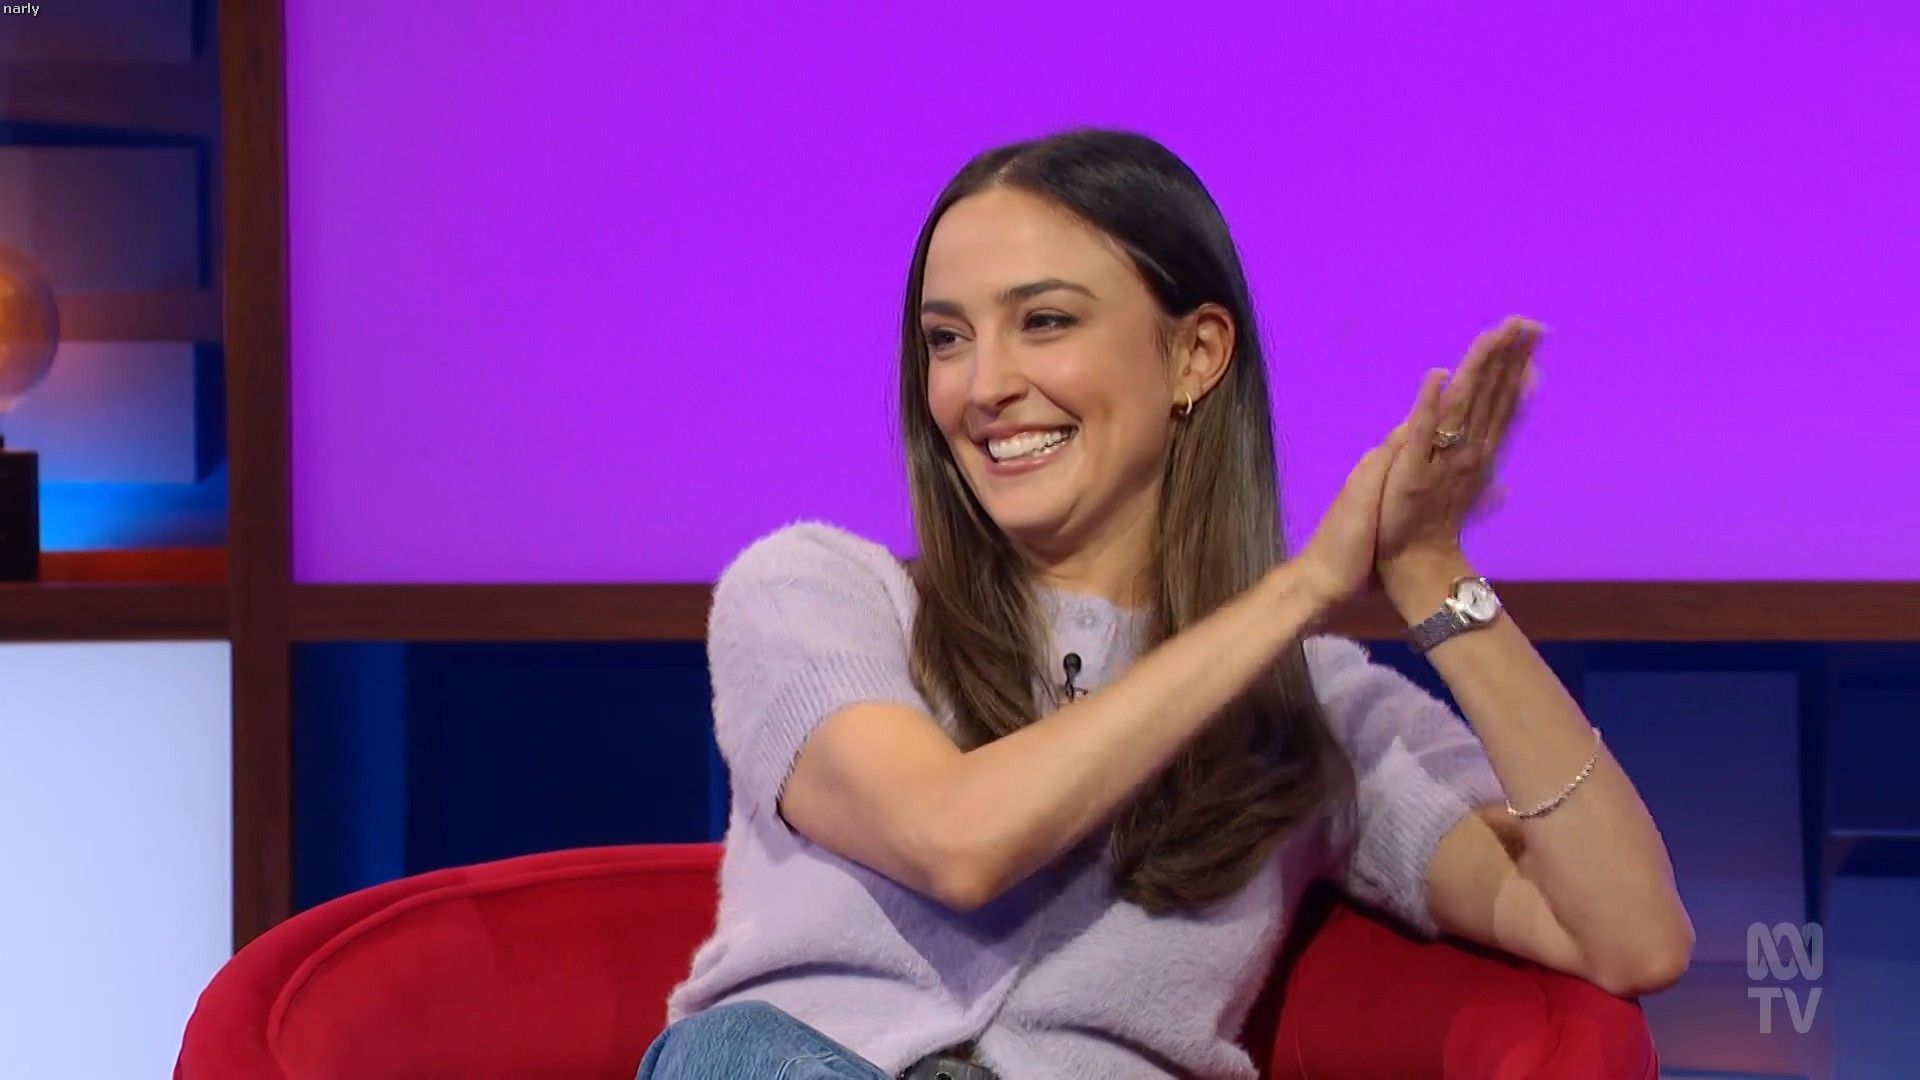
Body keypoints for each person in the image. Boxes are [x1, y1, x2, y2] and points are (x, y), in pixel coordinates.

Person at [637, 129, 1692, 1079]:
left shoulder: (1307, 708)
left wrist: (1428, 571)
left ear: (1194, 355)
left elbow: (1631, 937)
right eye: (947, 339)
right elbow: (957, 840)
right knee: (733, 1054)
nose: (981, 385)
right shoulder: (812, 594)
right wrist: (1299, 589)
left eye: (1043, 321)